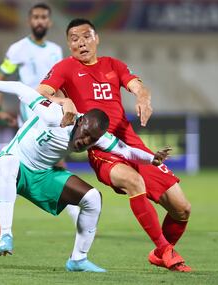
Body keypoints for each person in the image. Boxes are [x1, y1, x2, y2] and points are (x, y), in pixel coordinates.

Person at [0, 80, 172, 272]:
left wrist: (151, 158)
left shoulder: (98, 137)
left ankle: (78, 259)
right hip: (13, 165)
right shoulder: (54, 115)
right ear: (79, 122)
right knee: (9, 161)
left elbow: (125, 150)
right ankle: (6, 235)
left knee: (93, 198)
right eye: (84, 133)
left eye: (90, 140)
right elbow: (20, 88)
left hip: (43, 176)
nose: (84, 141)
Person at [37, 18, 192, 272]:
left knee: (182, 209)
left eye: (86, 36)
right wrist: (63, 101)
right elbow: (40, 91)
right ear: (68, 44)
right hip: (102, 149)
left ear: (96, 38)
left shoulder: (113, 65)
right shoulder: (65, 68)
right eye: (74, 39)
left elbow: (138, 86)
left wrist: (143, 98)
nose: (81, 43)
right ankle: (166, 251)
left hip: (132, 144)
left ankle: (159, 253)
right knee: (134, 182)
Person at [0, 3, 80, 234]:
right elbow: (2, 77)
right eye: (36, 17)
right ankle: (80, 216)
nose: (39, 21)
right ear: (30, 21)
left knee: (34, 169)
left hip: (52, 115)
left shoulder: (56, 51)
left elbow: (58, 86)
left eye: (44, 17)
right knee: (55, 164)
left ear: (49, 22)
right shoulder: (18, 49)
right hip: (31, 117)